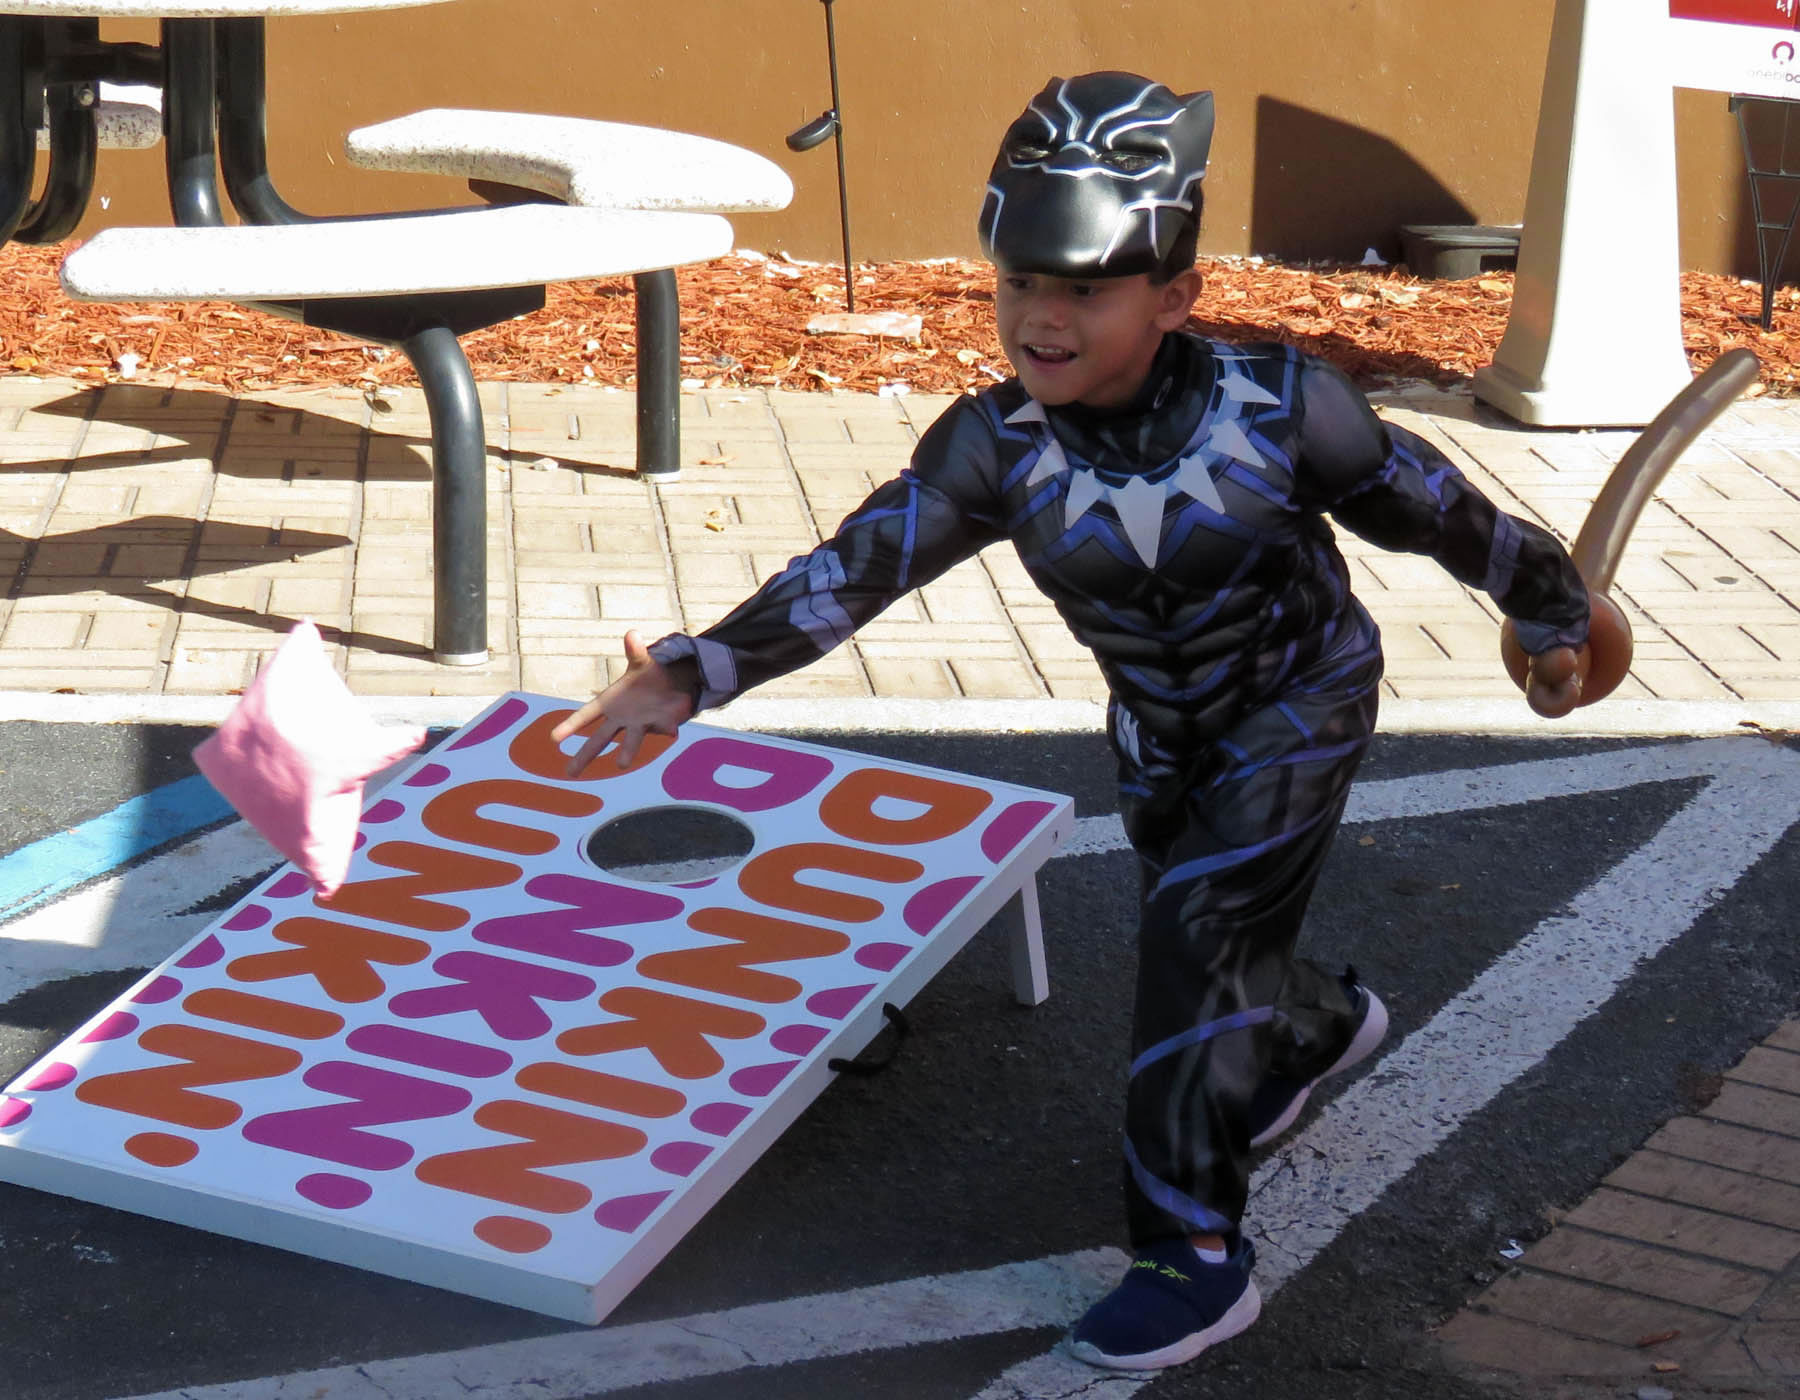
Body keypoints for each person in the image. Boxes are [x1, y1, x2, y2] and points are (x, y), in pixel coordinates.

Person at [552, 70, 1590, 1373]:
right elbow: (858, 569)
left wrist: (1553, 608)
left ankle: (1190, 1255)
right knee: (1213, 933)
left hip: (1299, 698)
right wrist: (697, 670)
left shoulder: (1282, 405)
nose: (1041, 318)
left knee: (1196, 935)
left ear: (1174, 297)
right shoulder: (996, 443)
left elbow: (1440, 510)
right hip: (1156, 726)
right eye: (1020, 283)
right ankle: (1316, 1029)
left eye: (1086, 289)